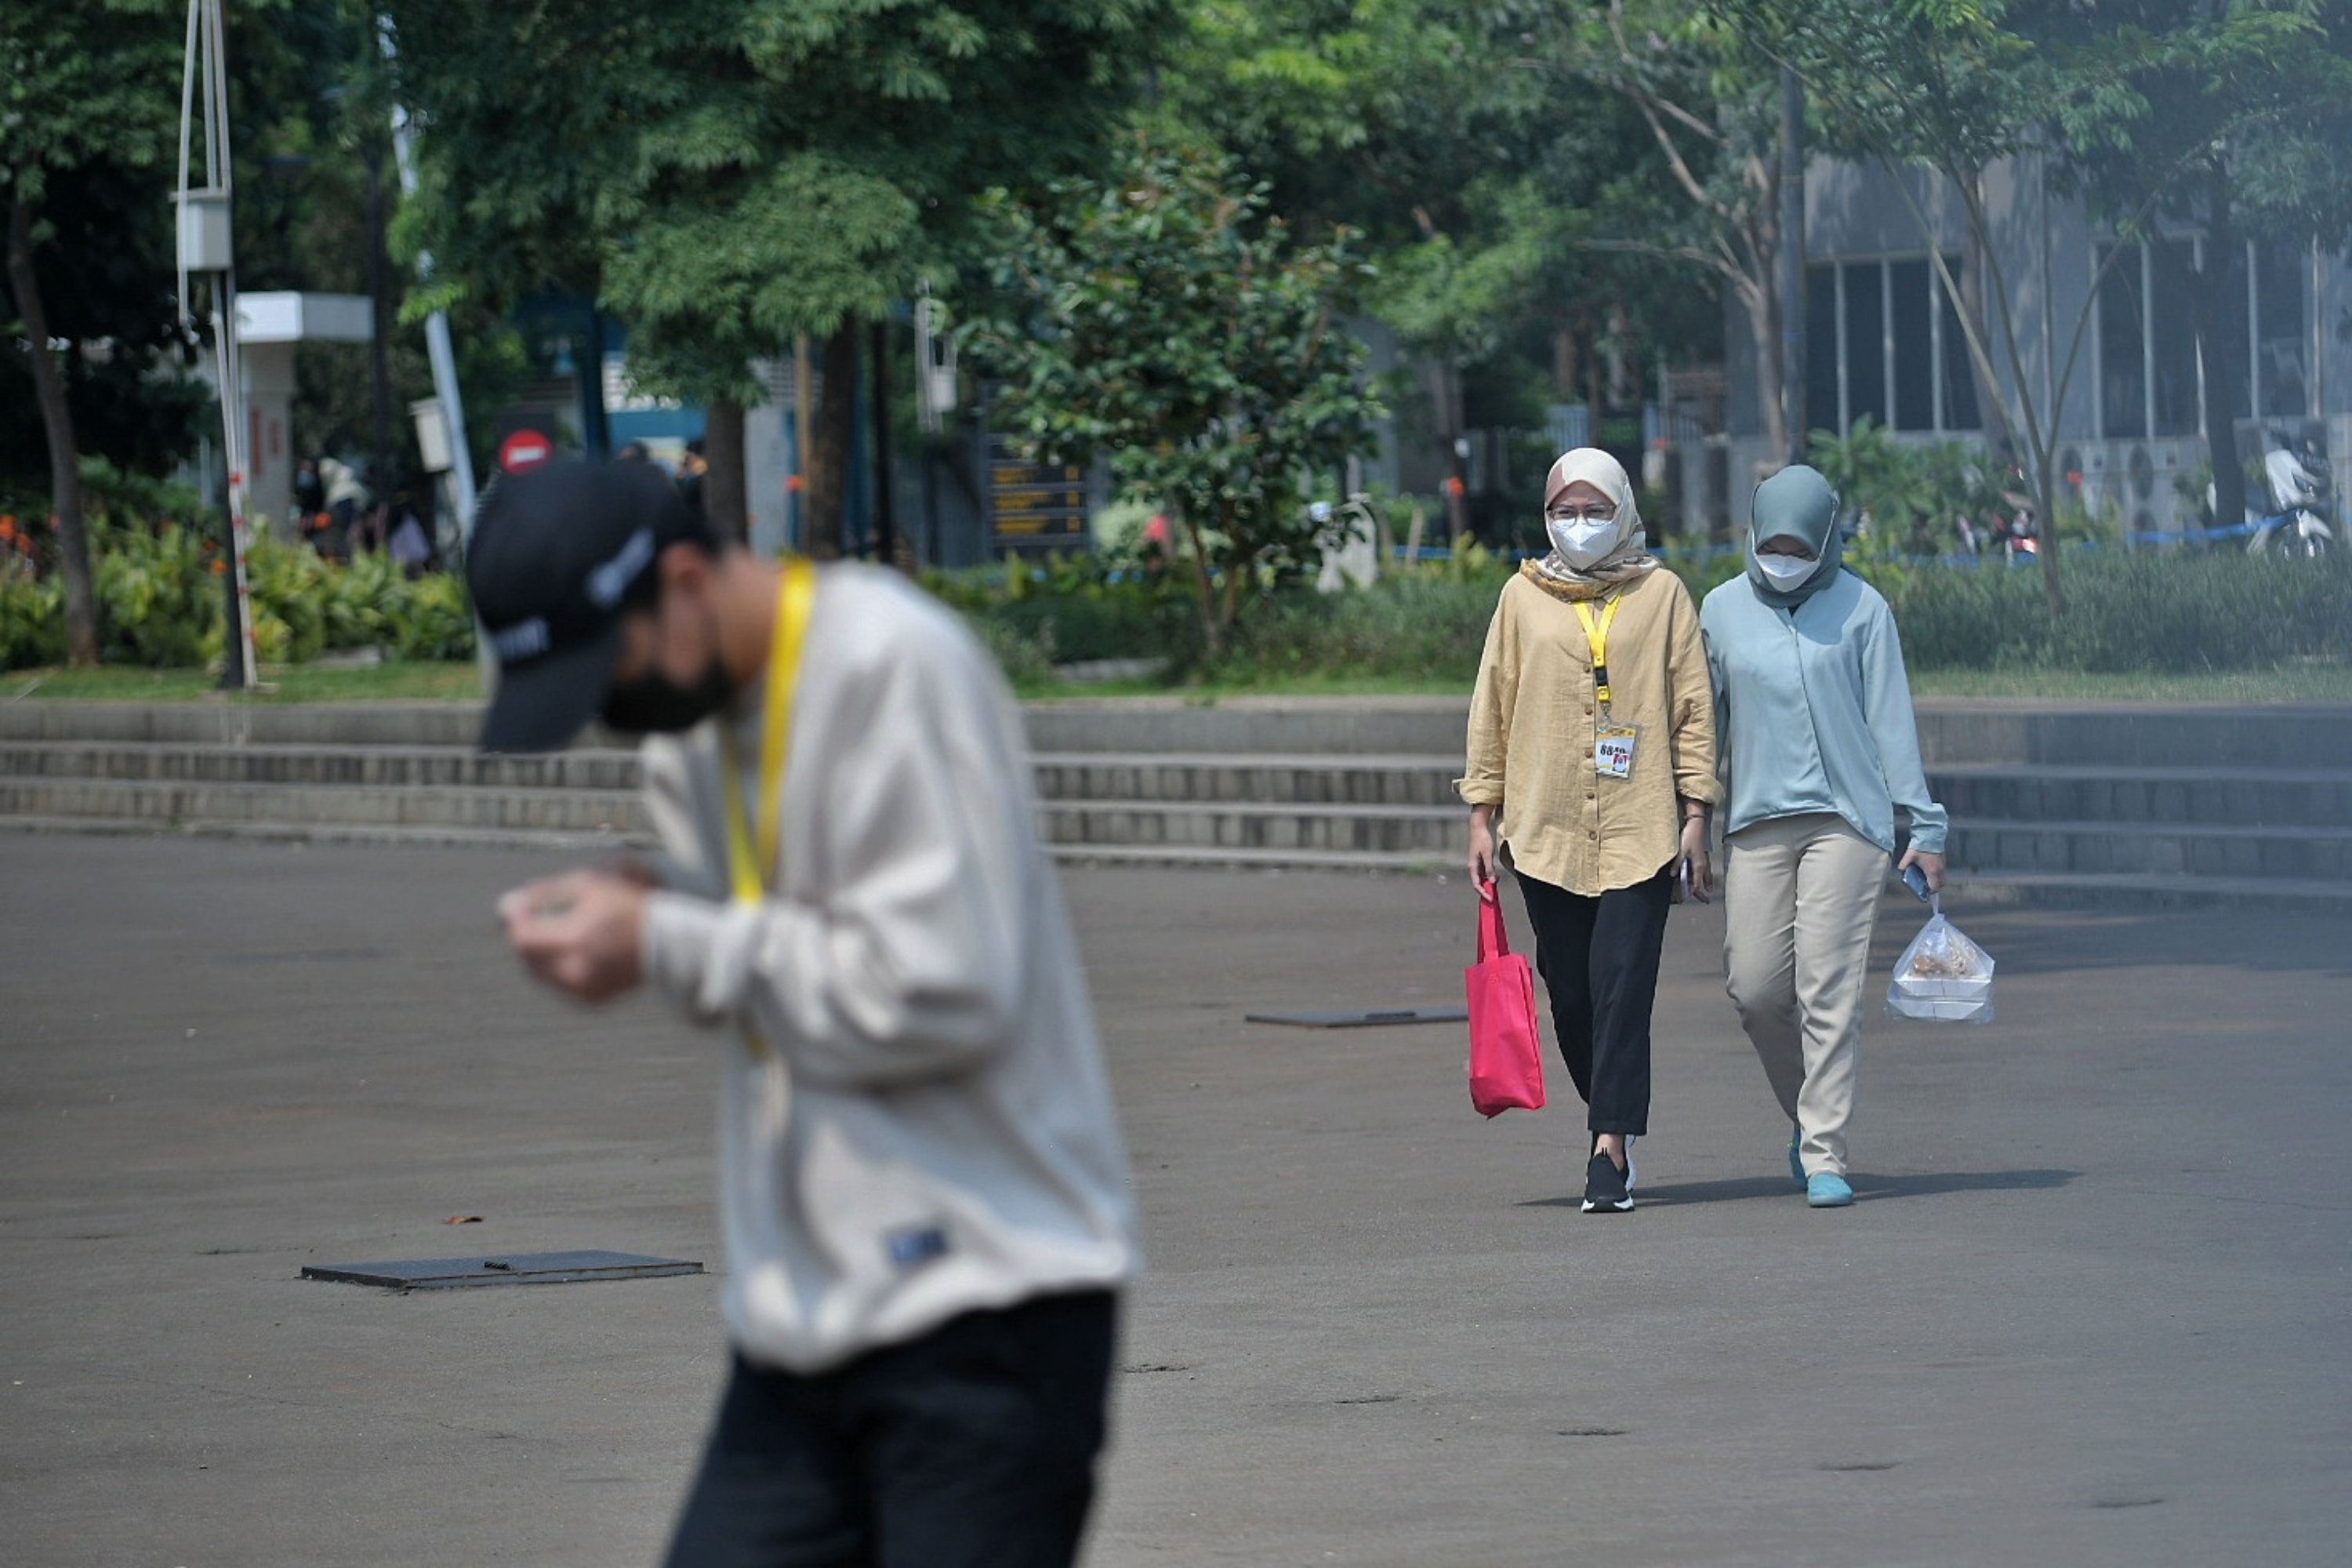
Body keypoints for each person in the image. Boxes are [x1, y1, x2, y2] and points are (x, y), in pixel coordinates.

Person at [469, 459, 1139, 1567]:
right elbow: (783, 960)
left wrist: (665, 942)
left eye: (610, 670)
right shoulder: (689, 743)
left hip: (986, 1310)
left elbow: (940, 985)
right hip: (800, 1322)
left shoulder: (888, 661)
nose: (608, 713)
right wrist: (656, 915)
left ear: (683, 580)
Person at [1459, 448, 1719, 1214]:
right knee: (1570, 994)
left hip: (1642, 822)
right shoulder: (1521, 596)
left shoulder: (1664, 592)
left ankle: (1609, 1146)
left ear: (1624, 509)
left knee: (1622, 988)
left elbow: (1693, 706)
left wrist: (1697, 812)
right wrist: (1482, 813)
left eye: (1594, 509)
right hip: (1546, 824)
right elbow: (1492, 704)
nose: (1580, 524)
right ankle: (1606, 1110)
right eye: (1565, 510)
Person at [1700, 465, 1949, 1210]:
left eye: (1798, 544)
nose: (1784, 555)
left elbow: (1891, 723)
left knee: (1826, 987)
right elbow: (1703, 729)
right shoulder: (1719, 610)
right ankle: (1810, 1117)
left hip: (1849, 823)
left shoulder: (1863, 609)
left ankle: (1825, 1151)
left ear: (1826, 537)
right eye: (1771, 541)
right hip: (1755, 822)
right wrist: (1689, 819)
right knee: (1755, 989)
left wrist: (1925, 825)